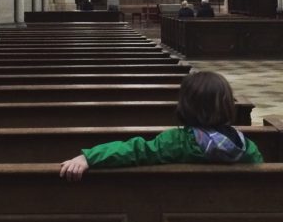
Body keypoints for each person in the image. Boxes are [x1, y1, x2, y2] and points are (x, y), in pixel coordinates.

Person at [59, 71, 263, 181]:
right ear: (228, 105)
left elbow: (135, 150)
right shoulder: (246, 146)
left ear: (185, 105)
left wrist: (90, 156)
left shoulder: (176, 141)